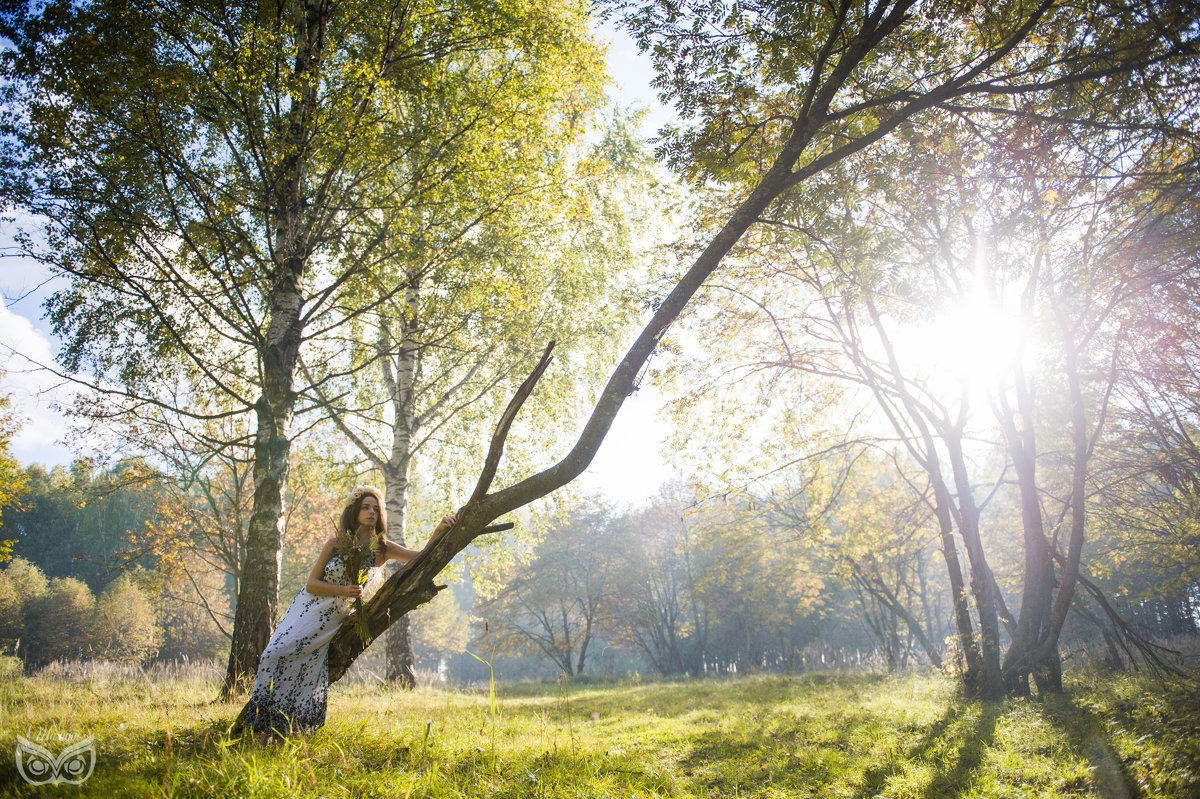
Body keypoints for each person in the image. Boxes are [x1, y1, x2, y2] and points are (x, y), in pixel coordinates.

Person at [240, 484, 456, 742]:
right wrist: (343, 589)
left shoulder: (382, 548)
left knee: (304, 664)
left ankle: (281, 732)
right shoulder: (335, 543)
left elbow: (419, 557)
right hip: (309, 608)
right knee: (274, 654)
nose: (372, 513)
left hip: (335, 618)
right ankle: (265, 725)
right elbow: (311, 584)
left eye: (376, 509)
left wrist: (439, 531)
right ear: (354, 511)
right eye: (366, 507)